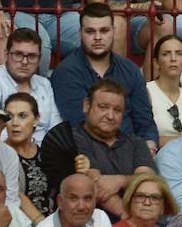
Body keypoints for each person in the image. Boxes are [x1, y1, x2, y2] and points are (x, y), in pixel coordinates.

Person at [38, 79, 156, 213]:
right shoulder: (71, 139)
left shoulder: (136, 142)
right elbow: (97, 186)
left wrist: (120, 180)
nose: (110, 116)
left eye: (117, 110)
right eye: (103, 107)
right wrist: (129, 219)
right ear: (86, 105)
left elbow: (148, 180)